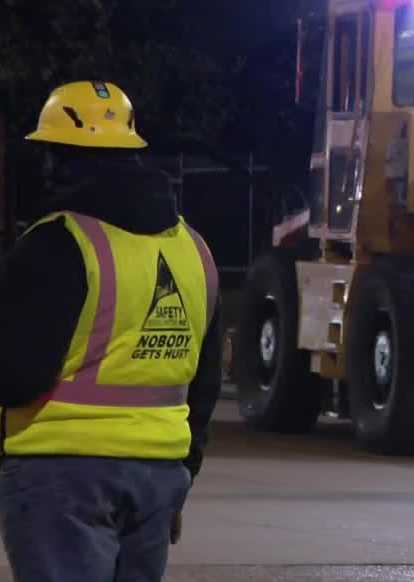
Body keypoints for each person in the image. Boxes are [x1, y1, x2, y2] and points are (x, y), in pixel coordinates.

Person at [0, 81, 222, 582]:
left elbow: (17, 375)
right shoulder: (194, 250)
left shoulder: (56, 243)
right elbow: (206, 381)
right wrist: (184, 470)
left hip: (61, 473)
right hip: (158, 474)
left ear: (59, 158)